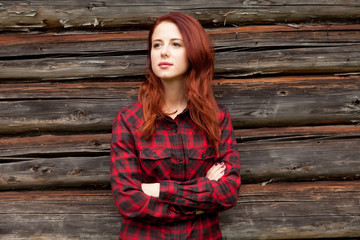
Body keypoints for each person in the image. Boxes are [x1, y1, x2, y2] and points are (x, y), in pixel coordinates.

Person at [110, 12, 241, 240]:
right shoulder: (129, 120)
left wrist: (157, 189)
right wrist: (201, 195)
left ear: (194, 52)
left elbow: (228, 192)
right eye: (156, 44)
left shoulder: (217, 117)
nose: (164, 51)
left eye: (176, 44)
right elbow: (128, 201)